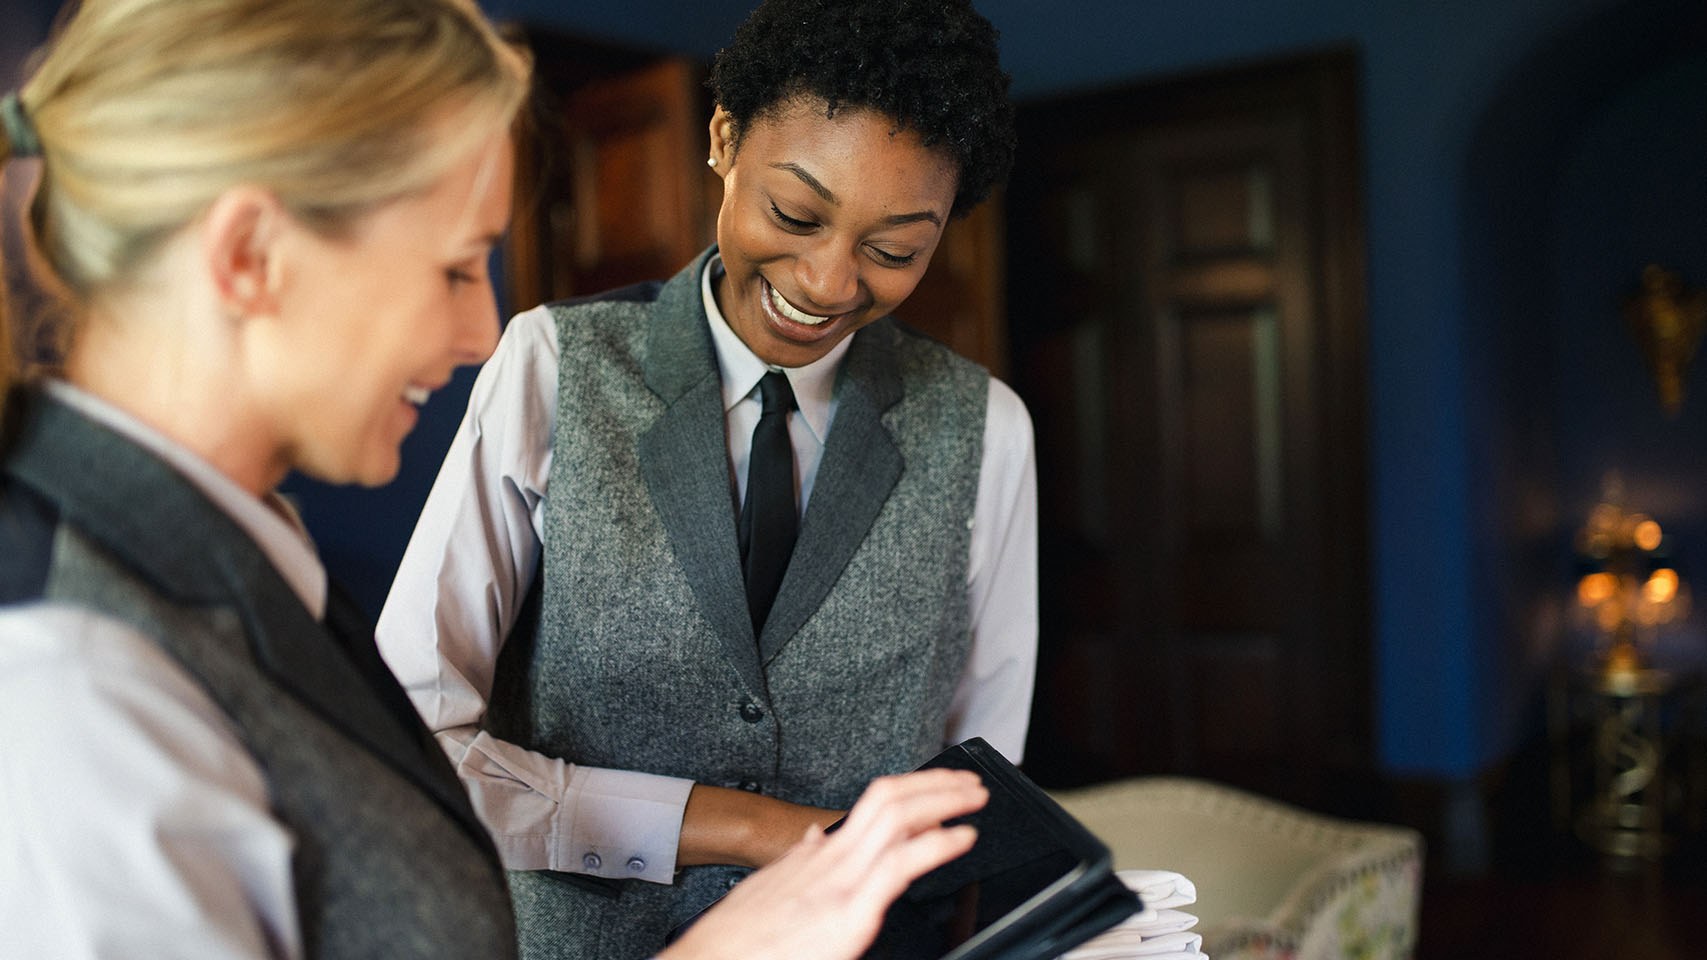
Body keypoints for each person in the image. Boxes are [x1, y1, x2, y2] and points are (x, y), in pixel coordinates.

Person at [0, 1, 987, 957]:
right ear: (251, 254)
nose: (482, 334)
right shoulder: (65, 674)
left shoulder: (243, 547)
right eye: (455, 267)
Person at [376, 0, 1037, 956]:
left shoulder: (986, 431)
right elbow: (414, 744)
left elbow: (981, 794)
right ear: (723, 139)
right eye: (794, 214)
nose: (826, 281)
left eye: (894, 251)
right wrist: (748, 827)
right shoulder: (551, 367)